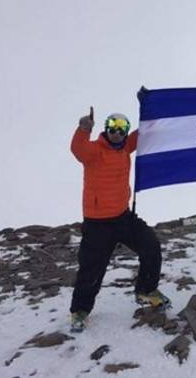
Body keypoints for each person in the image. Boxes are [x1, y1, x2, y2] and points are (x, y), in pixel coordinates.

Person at [69, 107, 169, 332]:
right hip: (97, 223)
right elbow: (78, 149)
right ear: (106, 129)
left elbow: (141, 135)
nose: (117, 132)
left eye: (121, 128)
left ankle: (146, 290)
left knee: (151, 246)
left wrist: (151, 106)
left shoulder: (125, 148)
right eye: (113, 127)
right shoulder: (94, 150)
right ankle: (80, 311)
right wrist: (84, 129)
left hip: (123, 218)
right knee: (92, 270)